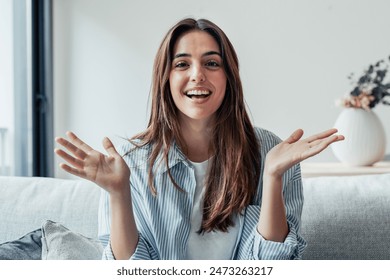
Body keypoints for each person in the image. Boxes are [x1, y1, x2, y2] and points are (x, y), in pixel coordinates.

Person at [55, 18, 344, 260]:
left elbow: (273, 267)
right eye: (182, 64)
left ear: (229, 77)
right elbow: (129, 271)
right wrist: (119, 192)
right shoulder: (129, 160)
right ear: (165, 78)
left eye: (212, 64)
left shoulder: (272, 152)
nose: (197, 75)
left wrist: (272, 177)